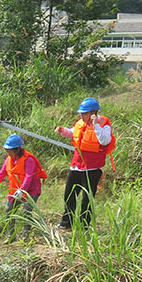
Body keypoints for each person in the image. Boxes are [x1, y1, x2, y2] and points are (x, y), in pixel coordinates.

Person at [54, 97, 114, 230]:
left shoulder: (104, 125)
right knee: (69, 195)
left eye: (84, 113)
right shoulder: (80, 123)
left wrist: (95, 125)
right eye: (81, 113)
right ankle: (66, 223)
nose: (81, 116)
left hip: (93, 168)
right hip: (76, 165)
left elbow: (105, 141)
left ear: (93, 113)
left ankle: (84, 225)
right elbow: (73, 133)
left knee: (87, 199)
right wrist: (63, 131)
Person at [0, 134, 47, 220]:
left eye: (10, 151)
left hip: (31, 190)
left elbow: (29, 177)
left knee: (26, 213)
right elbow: (1, 173)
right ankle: (10, 229)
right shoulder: (9, 159)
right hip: (15, 190)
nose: (8, 153)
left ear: (17, 149)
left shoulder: (29, 160)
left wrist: (21, 190)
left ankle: (27, 229)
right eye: (6, 150)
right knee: (9, 211)